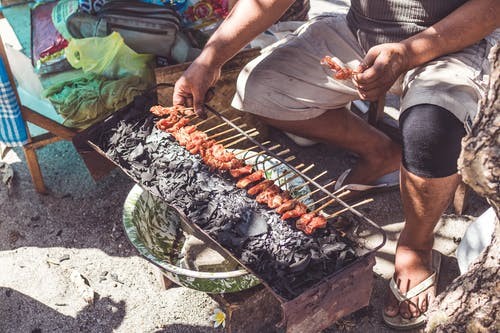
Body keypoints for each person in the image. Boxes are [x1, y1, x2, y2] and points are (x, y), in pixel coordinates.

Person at [173, 0, 499, 329]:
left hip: (458, 42)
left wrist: (406, 53)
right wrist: (208, 59)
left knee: (430, 131)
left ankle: (416, 244)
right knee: (260, 88)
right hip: (363, 33)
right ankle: (381, 152)